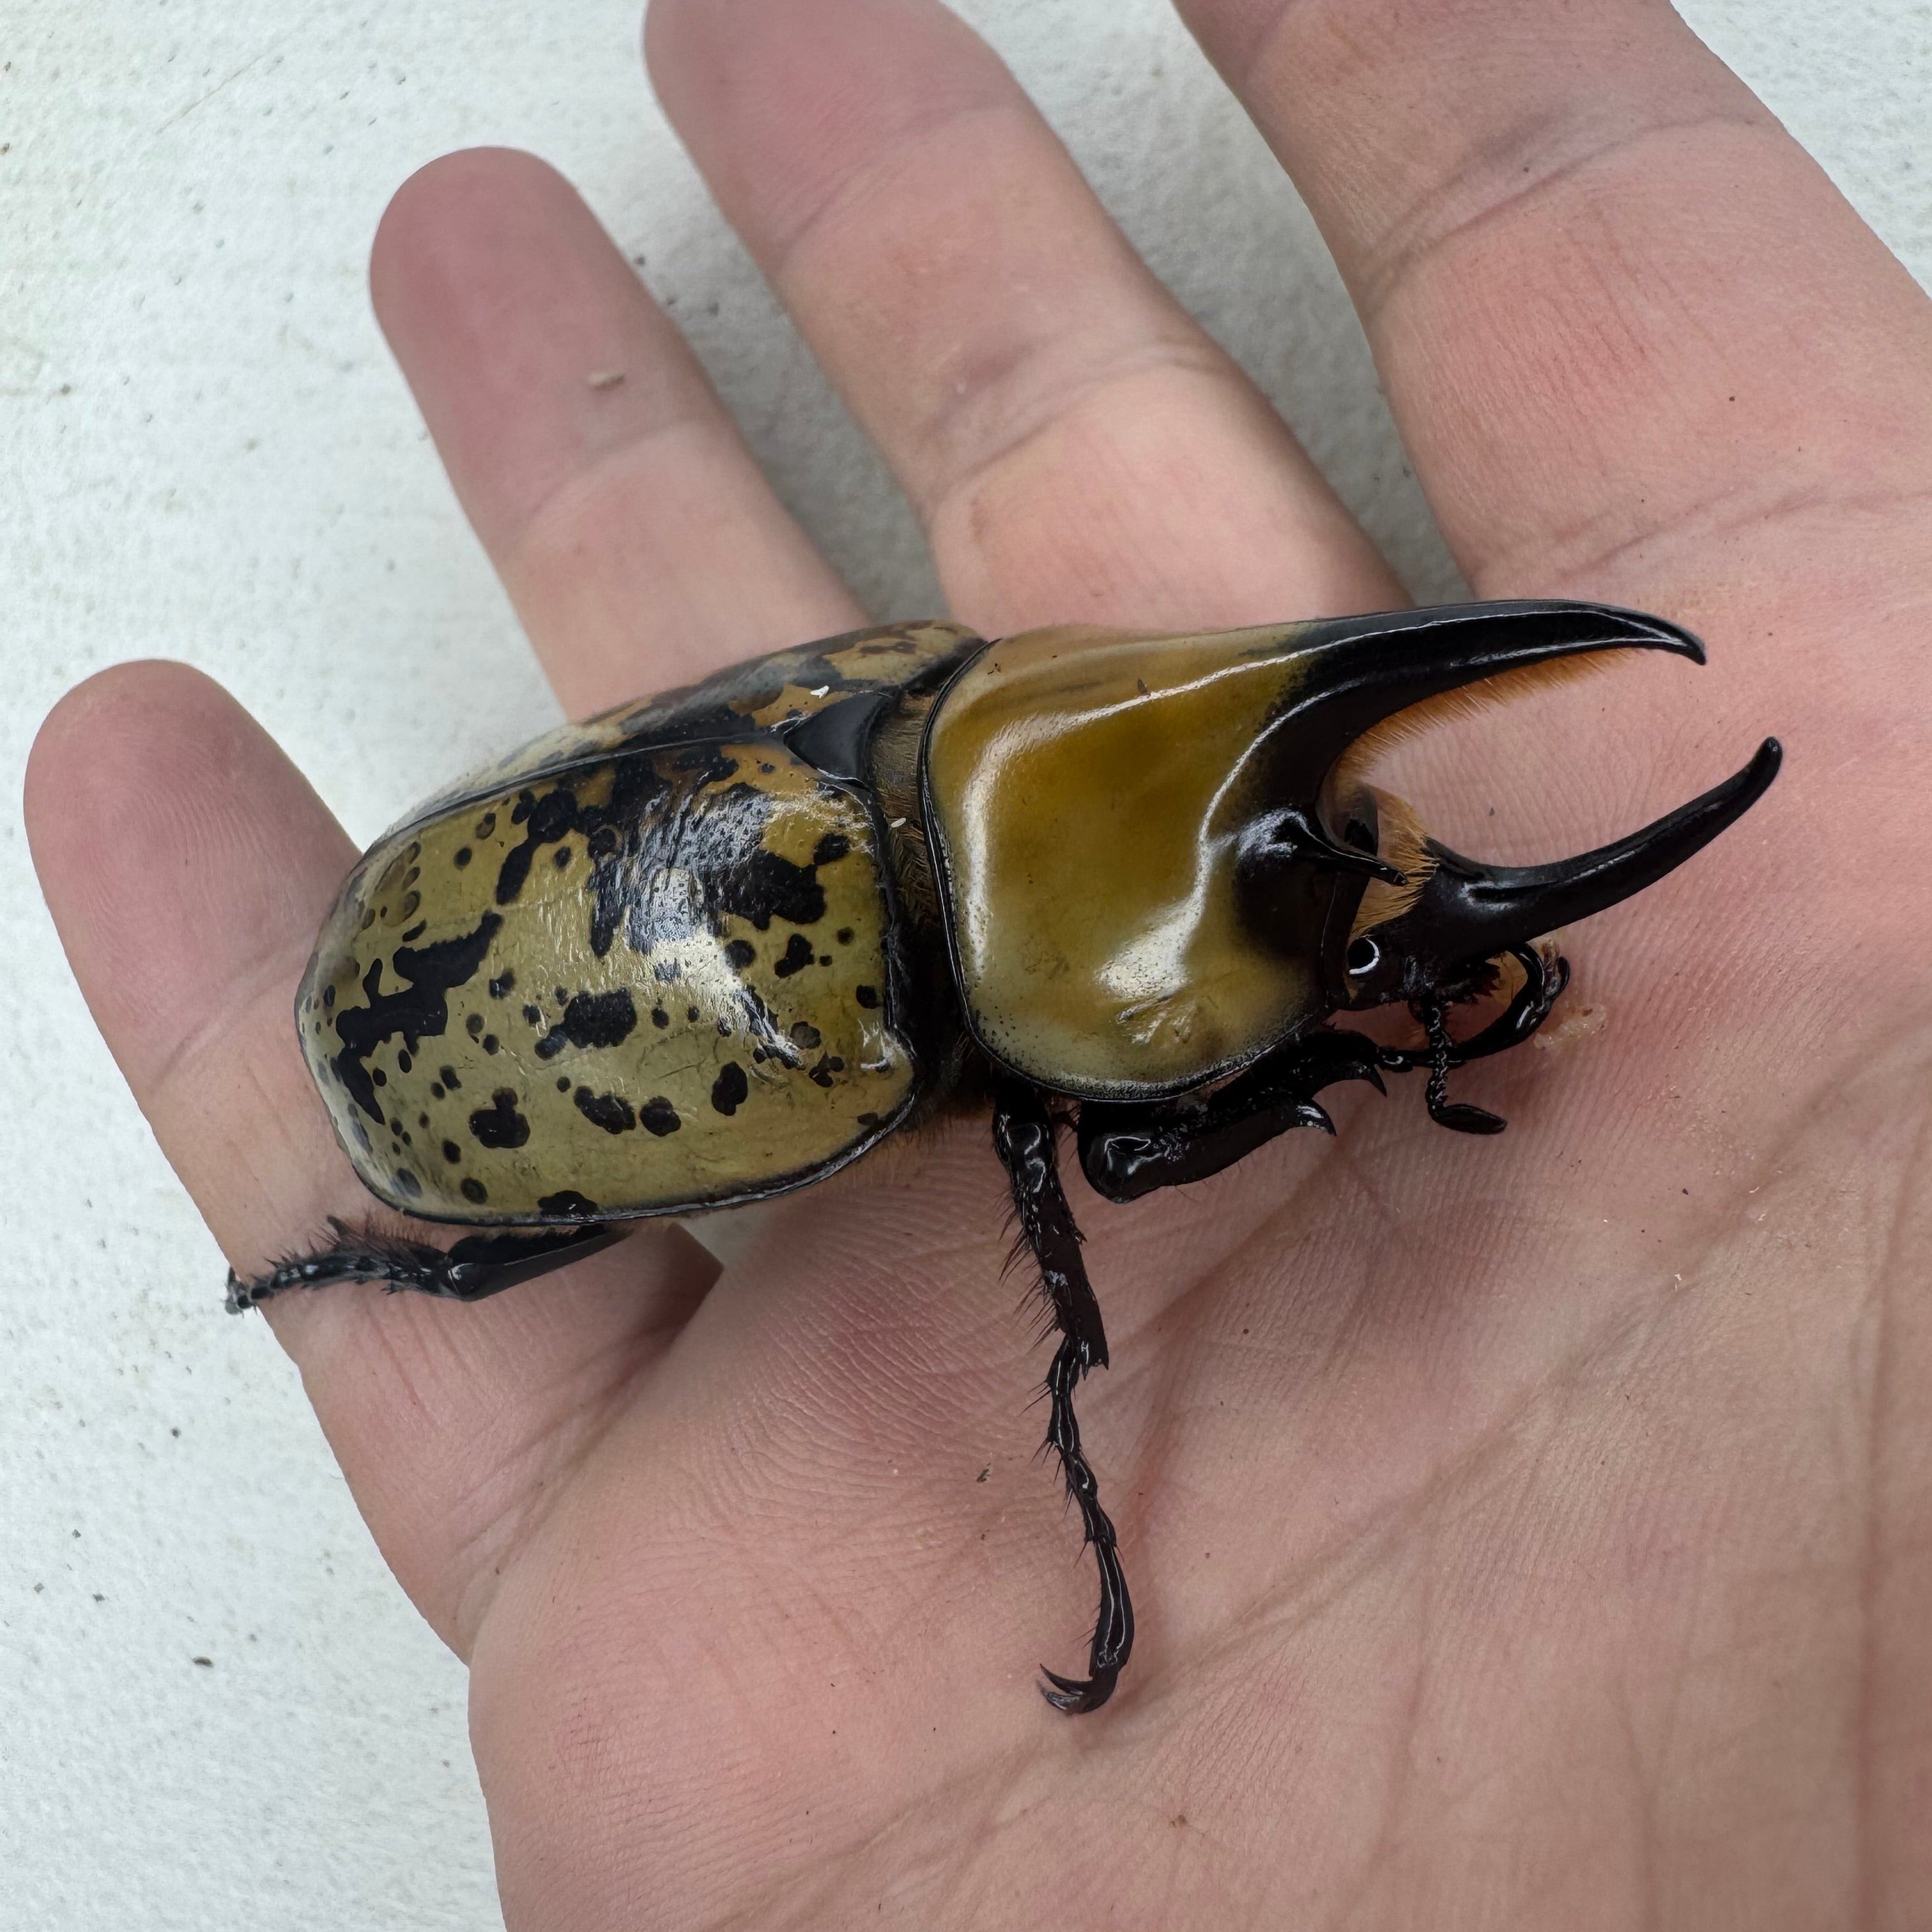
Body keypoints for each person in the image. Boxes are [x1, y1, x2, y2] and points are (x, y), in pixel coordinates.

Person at [26, 0, 1931, 1923]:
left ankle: (377, 1268)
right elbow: (1126, 1148)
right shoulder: (887, 1003)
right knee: (680, 1208)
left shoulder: (942, 689)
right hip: (453, 1073)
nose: (1381, 923)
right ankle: (398, 1267)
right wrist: (1348, 1053)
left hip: (708, 803)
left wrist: (1346, 1026)